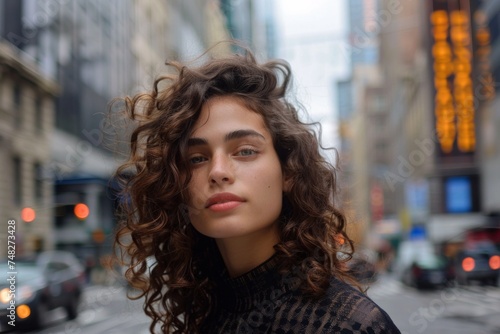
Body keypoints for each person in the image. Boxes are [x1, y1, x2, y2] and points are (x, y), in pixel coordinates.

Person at [113, 46, 401, 334]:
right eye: (197, 158)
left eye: (245, 151)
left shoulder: (349, 325)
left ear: (288, 170)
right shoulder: (205, 314)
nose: (218, 172)